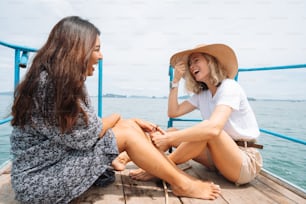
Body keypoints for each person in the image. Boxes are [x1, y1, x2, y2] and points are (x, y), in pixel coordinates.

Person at [9, 16, 221, 203]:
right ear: (76, 50)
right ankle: (182, 183)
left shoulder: (58, 80)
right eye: (96, 49)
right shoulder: (52, 85)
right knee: (127, 131)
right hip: (39, 181)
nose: (100, 56)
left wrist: (128, 121)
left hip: (52, 163)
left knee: (127, 126)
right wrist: (120, 117)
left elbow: (84, 128)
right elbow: (88, 135)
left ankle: (159, 171)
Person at [129, 43, 263, 186]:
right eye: (190, 63)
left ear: (211, 62)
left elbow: (213, 128)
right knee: (172, 131)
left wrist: (169, 139)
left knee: (207, 131)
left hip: (244, 161)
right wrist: (175, 82)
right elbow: (173, 112)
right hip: (218, 158)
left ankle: (161, 168)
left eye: (196, 60)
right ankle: (126, 158)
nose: (192, 67)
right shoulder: (203, 95)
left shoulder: (229, 86)